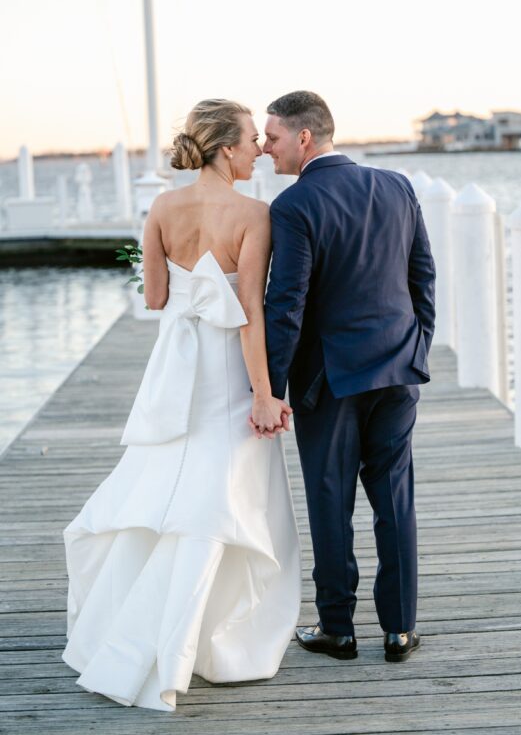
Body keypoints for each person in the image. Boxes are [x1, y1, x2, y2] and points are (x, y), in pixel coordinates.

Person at [63, 100, 300, 712]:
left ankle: (137, 633)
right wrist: (264, 394)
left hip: (174, 367)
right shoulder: (254, 214)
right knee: (219, 499)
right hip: (225, 371)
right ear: (226, 149)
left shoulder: (163, 207)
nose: (259, 151)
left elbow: (155, 296)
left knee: (172, 487)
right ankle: (204, 644)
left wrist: (179, 276)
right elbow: (248, 314)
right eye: (251, 140)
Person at [263, 90, 436, 665]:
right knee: (395, 499)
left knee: (331, 501)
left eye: (273, 137)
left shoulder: (293, 206)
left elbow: (286, 304)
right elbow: (422, 278)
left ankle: (337, 627)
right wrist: (417, 346)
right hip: (397, 368)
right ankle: (400, 631)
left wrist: (271, 387)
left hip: (329, 381)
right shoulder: (396, 186)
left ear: (304, 137)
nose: (266, 148)